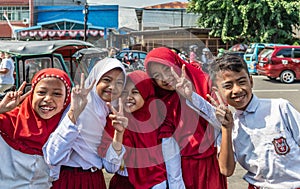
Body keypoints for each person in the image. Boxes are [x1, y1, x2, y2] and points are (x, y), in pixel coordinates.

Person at [184, 55, 300, 188]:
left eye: (242, 81)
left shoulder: (279, 108)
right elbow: (226, 170)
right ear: (218, 92)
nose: (237, 90)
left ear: (251, 81)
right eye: (228, 86)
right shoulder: (229, 125)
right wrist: (226, 128)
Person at [144, 47, 227, 189]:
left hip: (211, 163)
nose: (164, 78)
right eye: (157, 75)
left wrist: (191, 97)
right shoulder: (160, 102)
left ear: (176, 64)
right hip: (182, 169)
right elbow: (168, 145)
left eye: (167, 69)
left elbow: (223, 123)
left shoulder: (202, 82)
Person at [43, 57, 127, 189]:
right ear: (95, 80)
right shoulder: (80, 106)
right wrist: (74, 113)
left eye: (119, 83)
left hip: (95, 180)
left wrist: (119, 133)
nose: (112, 87)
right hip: (70, 180)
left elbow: (111, 167)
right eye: (106, 80)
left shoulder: (112, 114)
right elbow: (53, 157)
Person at [0, 68, 72, 188]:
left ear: (66, 99)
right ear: (32, 94)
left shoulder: (66, 129)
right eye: (41, 92)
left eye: (57, 94)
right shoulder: (7, 122)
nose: (48, 99)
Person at [100, 70, 167, 189]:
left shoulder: (158, 120)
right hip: (122, 183)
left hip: (155, 184)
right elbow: (110, 168)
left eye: (135, 92)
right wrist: (119, 133)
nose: (128, 97)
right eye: (124, 92)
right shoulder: (114, 120)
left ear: (146, 94)